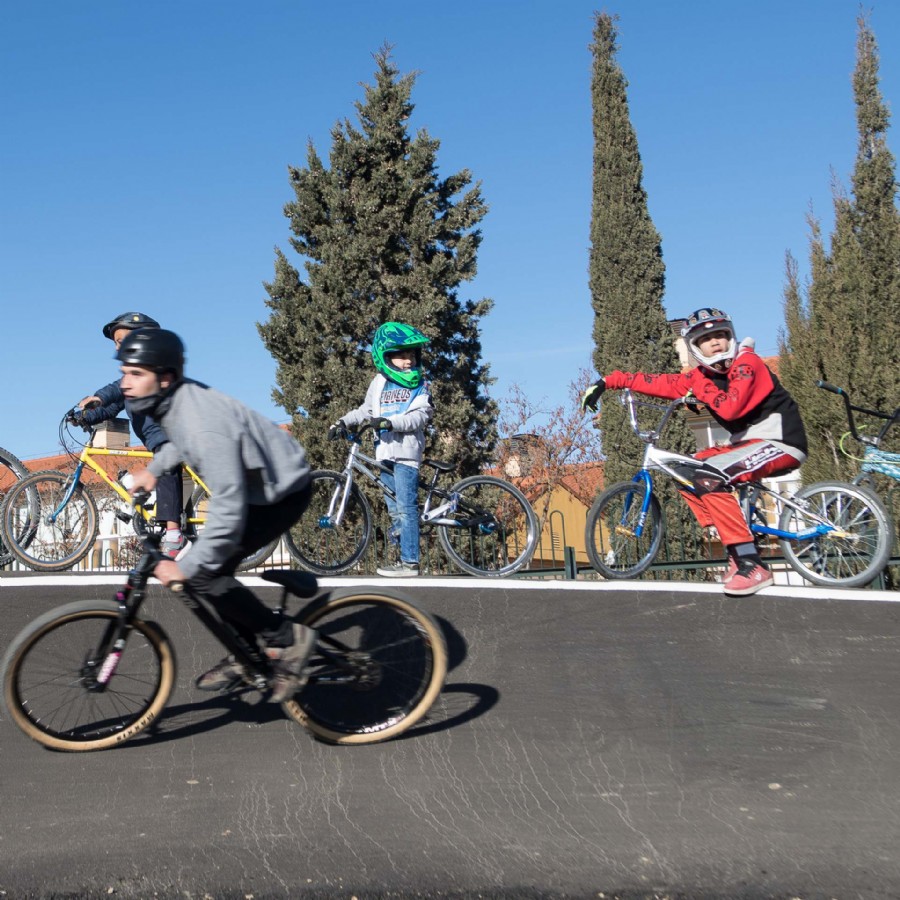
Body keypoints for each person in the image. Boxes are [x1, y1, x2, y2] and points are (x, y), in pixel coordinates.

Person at [117, 327, 316, 701]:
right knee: (211, 574)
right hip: (255, 490)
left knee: (204, 575)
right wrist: (154, 470)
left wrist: (186, 568)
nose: (125, 383)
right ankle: (248, 653)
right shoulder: (175, 401)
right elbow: (182, 442)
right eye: (124, 371)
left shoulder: (200, 419)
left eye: (136, 373)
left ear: (164, 377)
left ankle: (287, 639)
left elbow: (227, 502)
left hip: (280, 492)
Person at [581, 307, 808, 596]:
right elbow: (660, 382)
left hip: (779, 442)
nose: (716, 342)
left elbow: (730, 406)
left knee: (707, 477)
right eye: (707, 338)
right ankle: (734, 543)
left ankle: (751, 564)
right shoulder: (702, 376)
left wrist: (698, 389)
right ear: (695, 346)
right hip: (747, 444)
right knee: (687, 470)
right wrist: (608, 381)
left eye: (722, 335)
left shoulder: (746, 363)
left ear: (732, 337)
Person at [78, 312, 186, 559]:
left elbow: (116, 389)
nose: (118, 346)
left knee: (165, 465)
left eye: (121, 340)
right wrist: (86, 416)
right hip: (155, 437)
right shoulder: (132, 382)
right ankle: (146, 503)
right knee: (142, 476)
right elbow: (113, 406)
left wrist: (99, 396)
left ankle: (173, 534)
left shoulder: (152, 366)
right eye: (116, 343)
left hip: (168, 431)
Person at [337, 322, 433, 577]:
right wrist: (343, 421)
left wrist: (391, 422)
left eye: (411, 355)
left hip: (406, 453)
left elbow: (420, 417)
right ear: (386, 356)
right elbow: (365, 411)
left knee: (405, 506)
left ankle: (410, 562)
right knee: (393, 510)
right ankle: (403, 557)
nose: (408, 361)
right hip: (384, 455)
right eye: (402, 355)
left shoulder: (419, 385)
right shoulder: (378, 383)